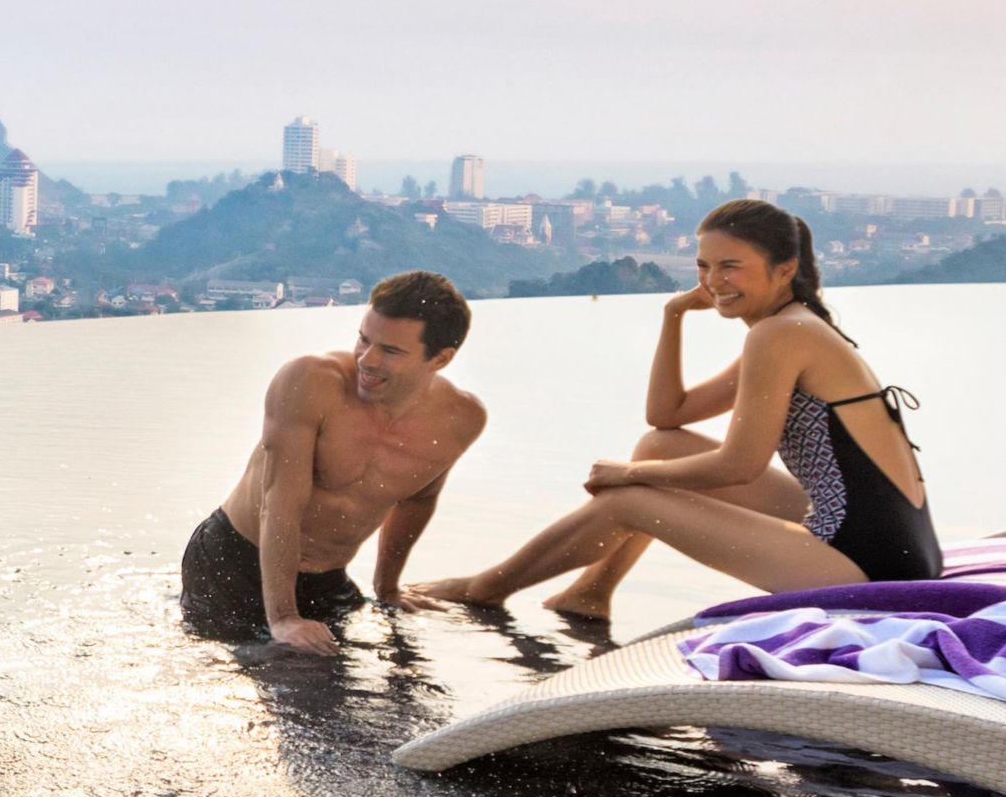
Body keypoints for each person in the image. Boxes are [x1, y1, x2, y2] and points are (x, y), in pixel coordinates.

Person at [413, 198, 935, 617]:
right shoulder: (789, 327)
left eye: (732, 266)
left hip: (870, 564)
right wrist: (674, 314)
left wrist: (629, 475)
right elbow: (667, 416)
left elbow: (739, 465)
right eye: (705, 267)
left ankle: (484, 589)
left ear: (785, 269)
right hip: (892, 543)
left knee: (629, 498)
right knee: (662, 447)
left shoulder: (782, 334)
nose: (713, 282)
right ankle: (590, 592)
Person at [187, 271, 489, 651]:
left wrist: (388, 588)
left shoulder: (460, 420)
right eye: (364, 339)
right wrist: (284, 618)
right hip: (235, 560)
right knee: (273, 678)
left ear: (441, 359)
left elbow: (418, 499)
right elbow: (280, 500)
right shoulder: (311, 381)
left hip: (326, 577)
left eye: (391, 351)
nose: (367, 359)